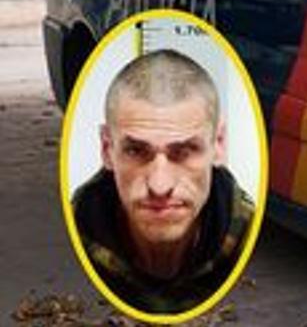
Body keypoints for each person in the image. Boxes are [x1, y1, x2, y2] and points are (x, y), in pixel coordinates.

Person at [72, 49, 254, 313]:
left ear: (219, 145)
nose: (159, 186)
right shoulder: (78, 231)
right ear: (106, 149)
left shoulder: (244, 233)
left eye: (184, 152)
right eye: (136, 151)